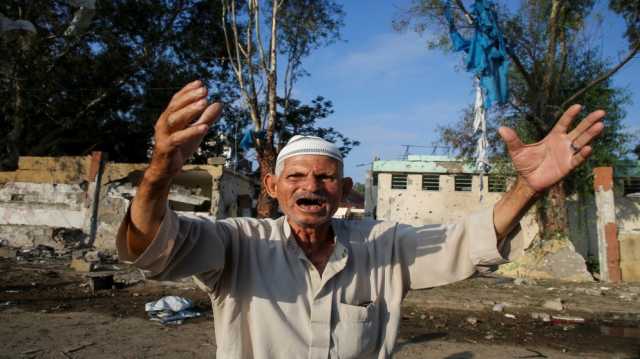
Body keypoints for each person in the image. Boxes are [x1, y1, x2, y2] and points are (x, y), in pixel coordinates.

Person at [116, 80, 605, 358]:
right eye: (297, 177)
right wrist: (160, 170)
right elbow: (154, 248)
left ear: (345, 191)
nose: (311, 187)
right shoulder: (238, 243)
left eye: (326, 178)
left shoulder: (382, 244)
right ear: (272, 188)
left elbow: (468, 239)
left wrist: (528, 186)